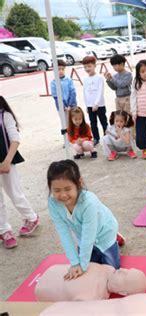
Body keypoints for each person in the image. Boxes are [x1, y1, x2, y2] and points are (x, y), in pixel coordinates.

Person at [47, 160, 121, 280]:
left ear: (79, 183)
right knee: (88, 270)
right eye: (57, 190)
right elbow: (64, 233)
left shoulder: (89, 202)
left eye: (67, 189)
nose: (63, 195)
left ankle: (115, 240)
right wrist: (75, 263)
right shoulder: (53, 203)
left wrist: (82, 266)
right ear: (50, 188)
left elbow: (89, 235)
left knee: (111, 274)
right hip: (84, 236)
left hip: (104, 234)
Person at [0, 96, 39, 249]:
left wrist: (7, 161)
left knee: (15, 194)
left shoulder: (5, 115)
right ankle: (4, 230)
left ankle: (31, 218)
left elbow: (15, 139)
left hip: (6, 162)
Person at [82, 56, 108, 146]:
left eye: (89, 66)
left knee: (103, 122)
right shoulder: (85, 79)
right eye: (85, 67)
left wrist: (96, 103)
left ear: (94, 65)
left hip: (99, 105)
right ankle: (96, 138)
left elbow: (100, 91)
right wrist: (87, 105)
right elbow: (85, 92)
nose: (87, 69)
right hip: (90, 106)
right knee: (93, 123)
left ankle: (107, 137)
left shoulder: (99, 78)